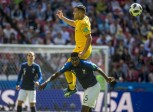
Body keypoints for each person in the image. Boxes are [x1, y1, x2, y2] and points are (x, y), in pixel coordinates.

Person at [39, 52, 115, 112]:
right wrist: (46, 82)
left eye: (76, 59)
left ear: (79, 59)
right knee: (88, 109)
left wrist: (106, 78)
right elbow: (57, 74)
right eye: (73, 60)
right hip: (88, 89)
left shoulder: (86, 64)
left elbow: (98, 69)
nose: (74, 61)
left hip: (94, 87)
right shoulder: (68, 65)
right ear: (71, 60)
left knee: (84, 109)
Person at [56, 4, 92, 97]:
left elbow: (89, 38)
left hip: (82, 49)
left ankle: (72, 87)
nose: (73, 13)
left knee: (67, 68)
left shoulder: (84, 23)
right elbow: (74, 23)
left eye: (75, 11)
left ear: (80, 13)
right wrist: (62, 17)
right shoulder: (82, 19)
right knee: (69, 68)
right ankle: (72, 87)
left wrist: (83, 52)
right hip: (78, 48)